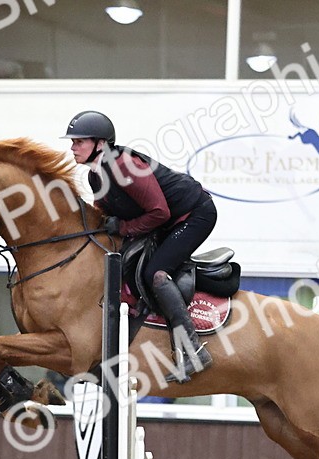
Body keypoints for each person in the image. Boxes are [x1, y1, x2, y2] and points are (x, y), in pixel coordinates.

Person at [61, 110, 215, 383]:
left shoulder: (123, 165)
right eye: (73, 142)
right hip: (167, 220)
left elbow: (159, 212)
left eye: (79, 142)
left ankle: (193, 352)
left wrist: (122, 228)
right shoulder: (95, 176)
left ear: (100, 143)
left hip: (195, 214)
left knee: (155, 273)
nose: (73, 148)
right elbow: (102, 216)